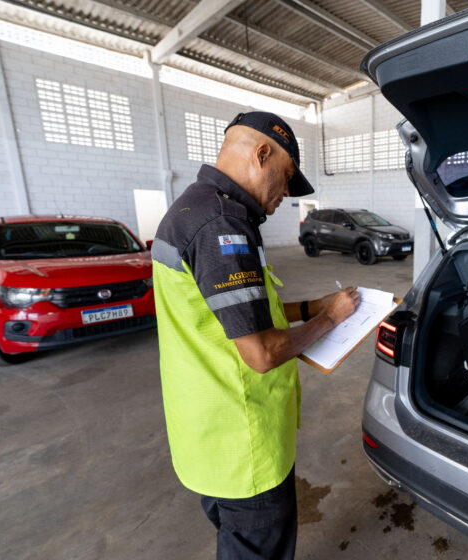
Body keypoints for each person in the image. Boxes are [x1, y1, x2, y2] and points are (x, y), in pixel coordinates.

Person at [151, 111, 360, 560]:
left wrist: (312, 307)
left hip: (205, 435)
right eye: (285, 178)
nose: (285, 194)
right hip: (244, 443)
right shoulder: (222, 225)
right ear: (261, 153)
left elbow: (239, 314)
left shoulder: (194, 208)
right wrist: (331, 321)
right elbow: (262, 352)